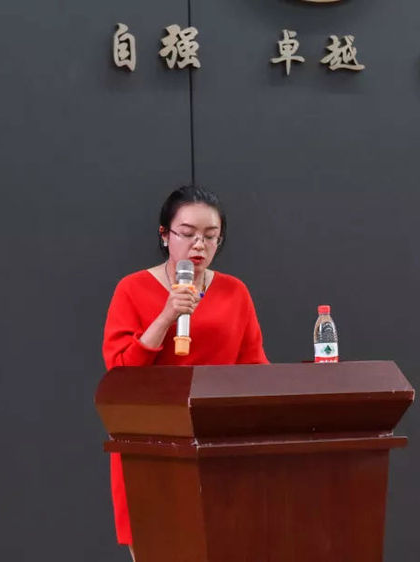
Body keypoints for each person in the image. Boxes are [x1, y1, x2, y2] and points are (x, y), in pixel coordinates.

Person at [101, 185, 269, 553]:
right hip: (151, 442)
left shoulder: (235, 292)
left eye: (210, 236)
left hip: (220, 444)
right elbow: (119, 373)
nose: (199, 245)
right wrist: (166, 315)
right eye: (188, 234)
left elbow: (255, 368)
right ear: (165, 235)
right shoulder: (132, 289)